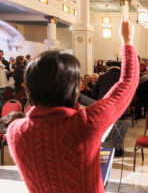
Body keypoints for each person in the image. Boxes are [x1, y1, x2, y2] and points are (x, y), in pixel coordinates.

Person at [7, 18, 139, 193]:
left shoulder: (15, 131)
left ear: (29, 85)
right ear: (74, 89)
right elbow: (127, 84)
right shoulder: (85, 123)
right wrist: (127, 41)